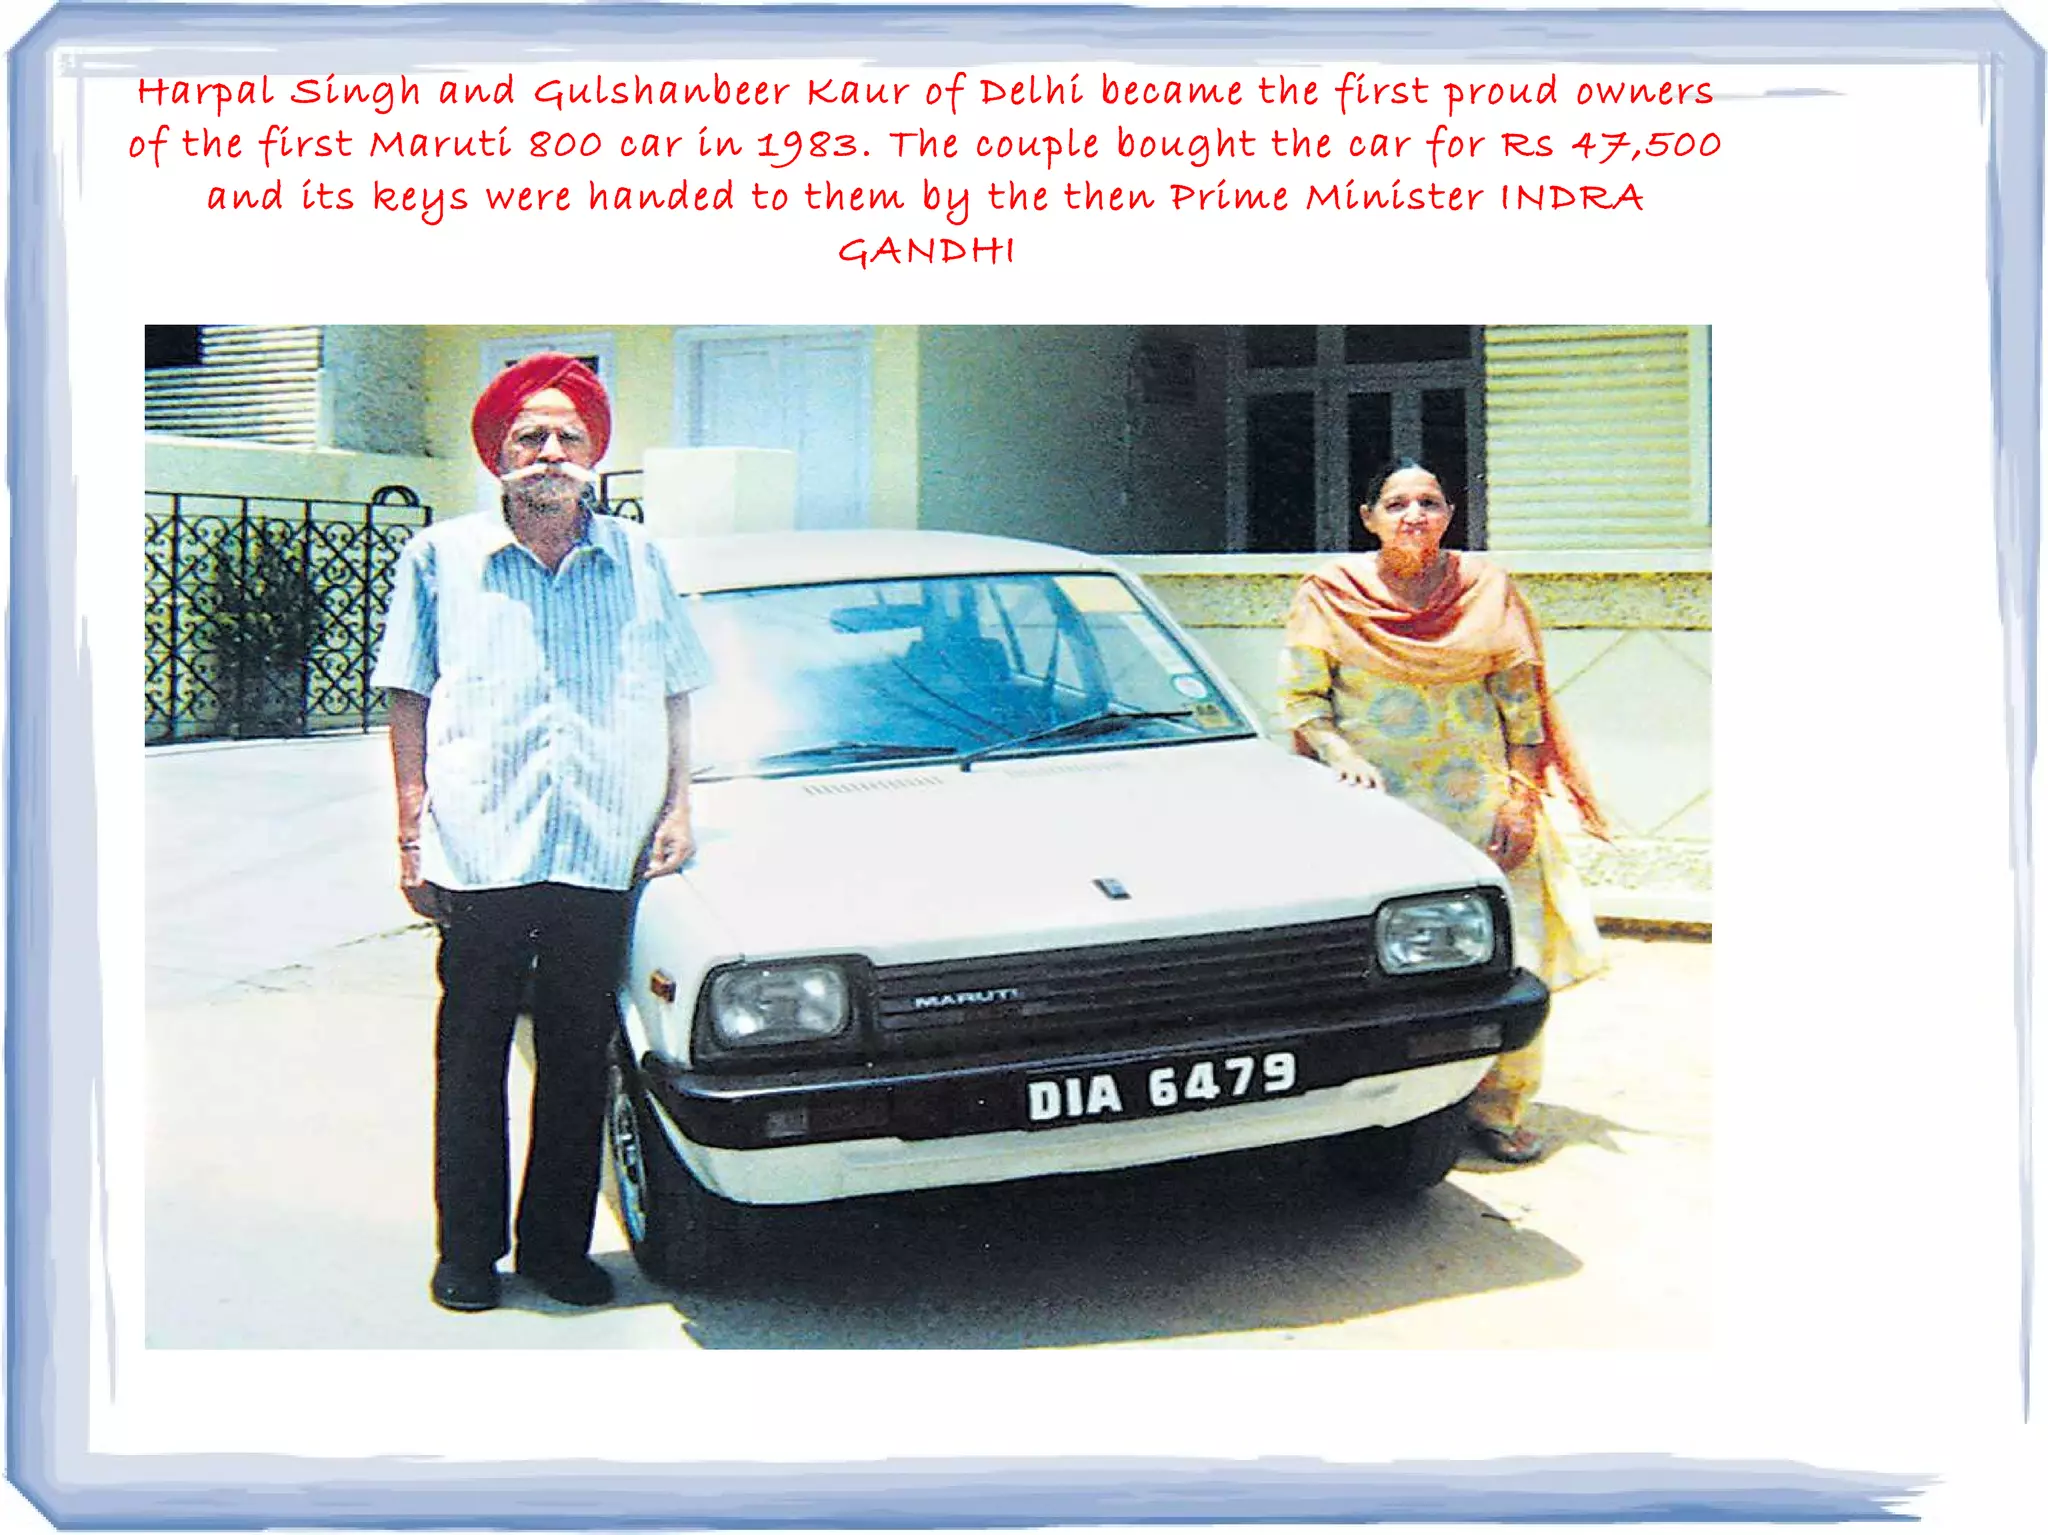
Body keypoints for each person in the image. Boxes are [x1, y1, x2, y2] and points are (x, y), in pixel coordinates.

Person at [372, 353, 709, 1312]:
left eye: (567, 435)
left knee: (578, 1056)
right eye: (529, 436)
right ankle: (466, 1252)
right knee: (471, 1056)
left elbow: (680, 688)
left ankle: (559, 1250)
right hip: (482, 845)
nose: (549, 452)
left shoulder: (642, 559)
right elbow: (409, 693)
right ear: (499, 456)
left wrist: (681, 802)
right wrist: (410, 827)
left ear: (594, 452)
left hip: (603, 845)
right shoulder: (441, 557)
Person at [1277, 460, 1607, 1164]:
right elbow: (1305, 702)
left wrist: (1522, 800)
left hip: (1479, 811)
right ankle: (1382, 1111)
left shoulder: (1487, 591)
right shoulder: (1330, 594)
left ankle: (1499, 1105)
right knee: (1378, 962)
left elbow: (1523, 712)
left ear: (1450, 514)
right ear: (1367, 517)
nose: (1414, 515)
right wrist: (1338, 754)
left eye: (1429, 502)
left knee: (1508, 954)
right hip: (1375, 811)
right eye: (1397, 502)